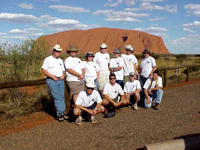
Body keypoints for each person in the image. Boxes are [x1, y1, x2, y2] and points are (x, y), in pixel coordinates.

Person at [41, 44, 68, 122]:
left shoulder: (60, 60)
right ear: (53, 51)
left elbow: (63, 69)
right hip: (52, 80)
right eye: (56, 50)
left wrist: (63, 74)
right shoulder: (48, 59)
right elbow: (43, 70)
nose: (58, 52)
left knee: (62, 96)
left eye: (59, 51)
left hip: (60, 79)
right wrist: (52, 77)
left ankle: (63, 112)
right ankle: (59, 113)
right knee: (57, 97)